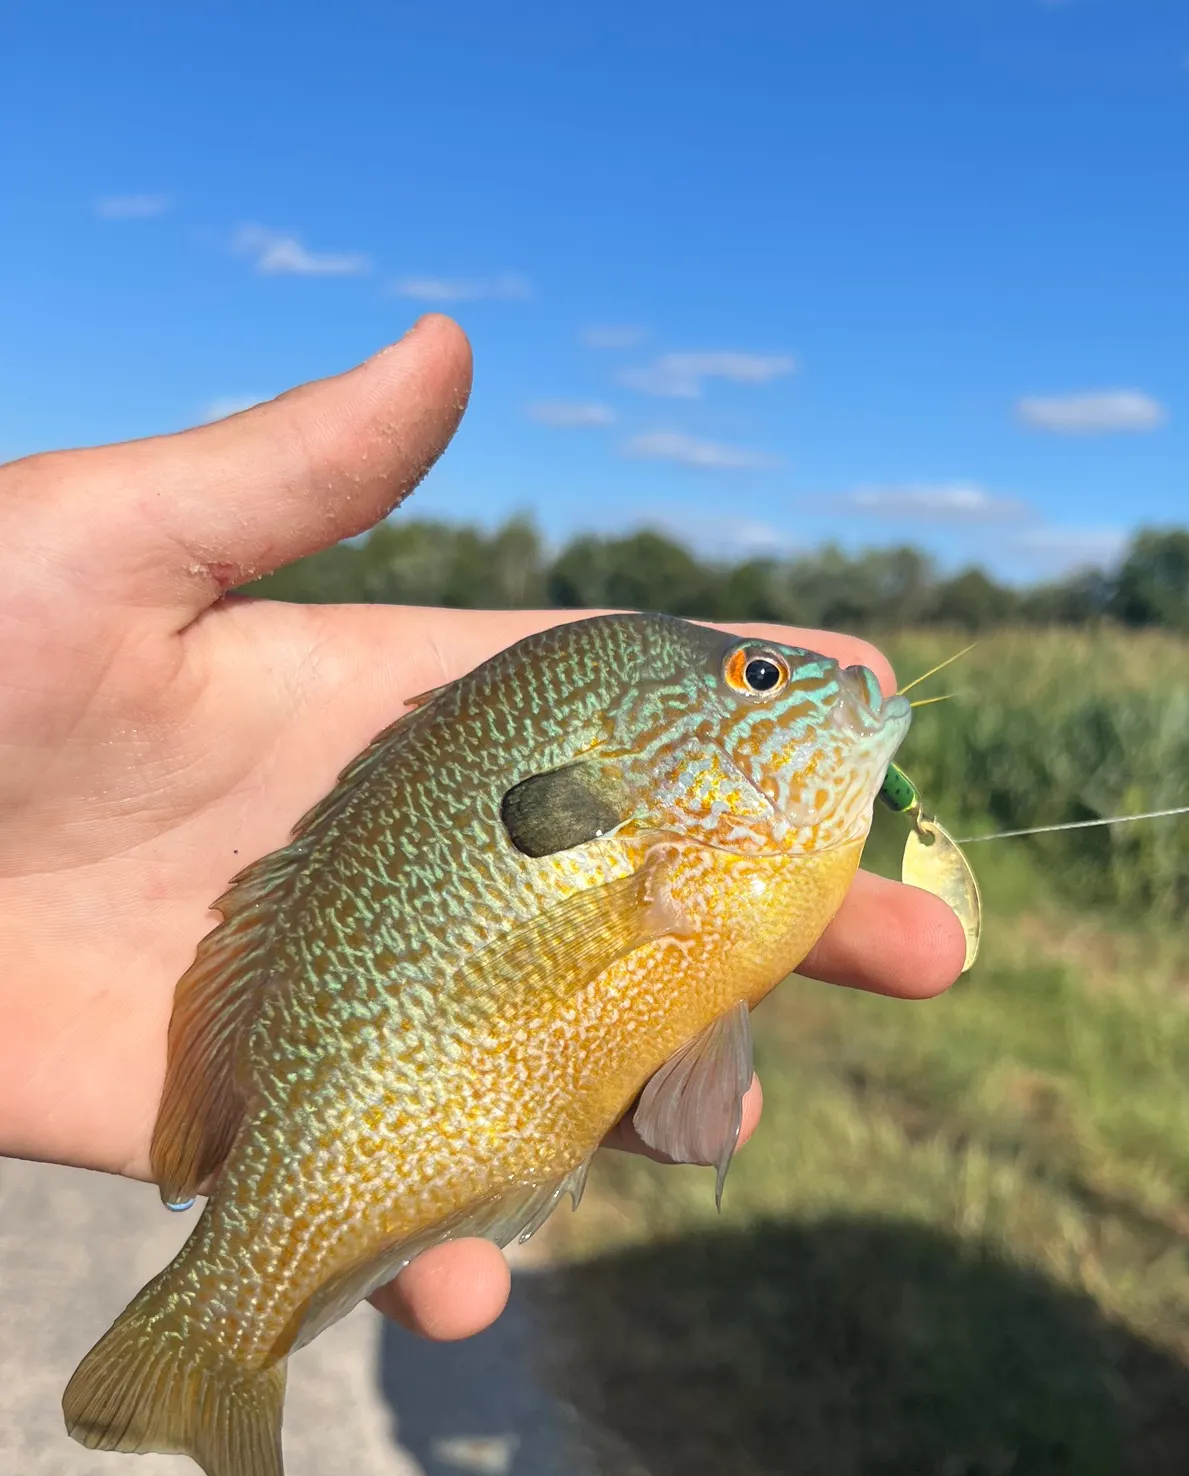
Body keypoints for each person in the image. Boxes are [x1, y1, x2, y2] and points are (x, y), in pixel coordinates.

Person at [0, 314, 964, 1344]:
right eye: (760, 679)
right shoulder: (682, 841)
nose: (818, 689)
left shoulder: (721, 848)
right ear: (646, 744)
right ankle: (219, 1329)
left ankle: (224, 1329)